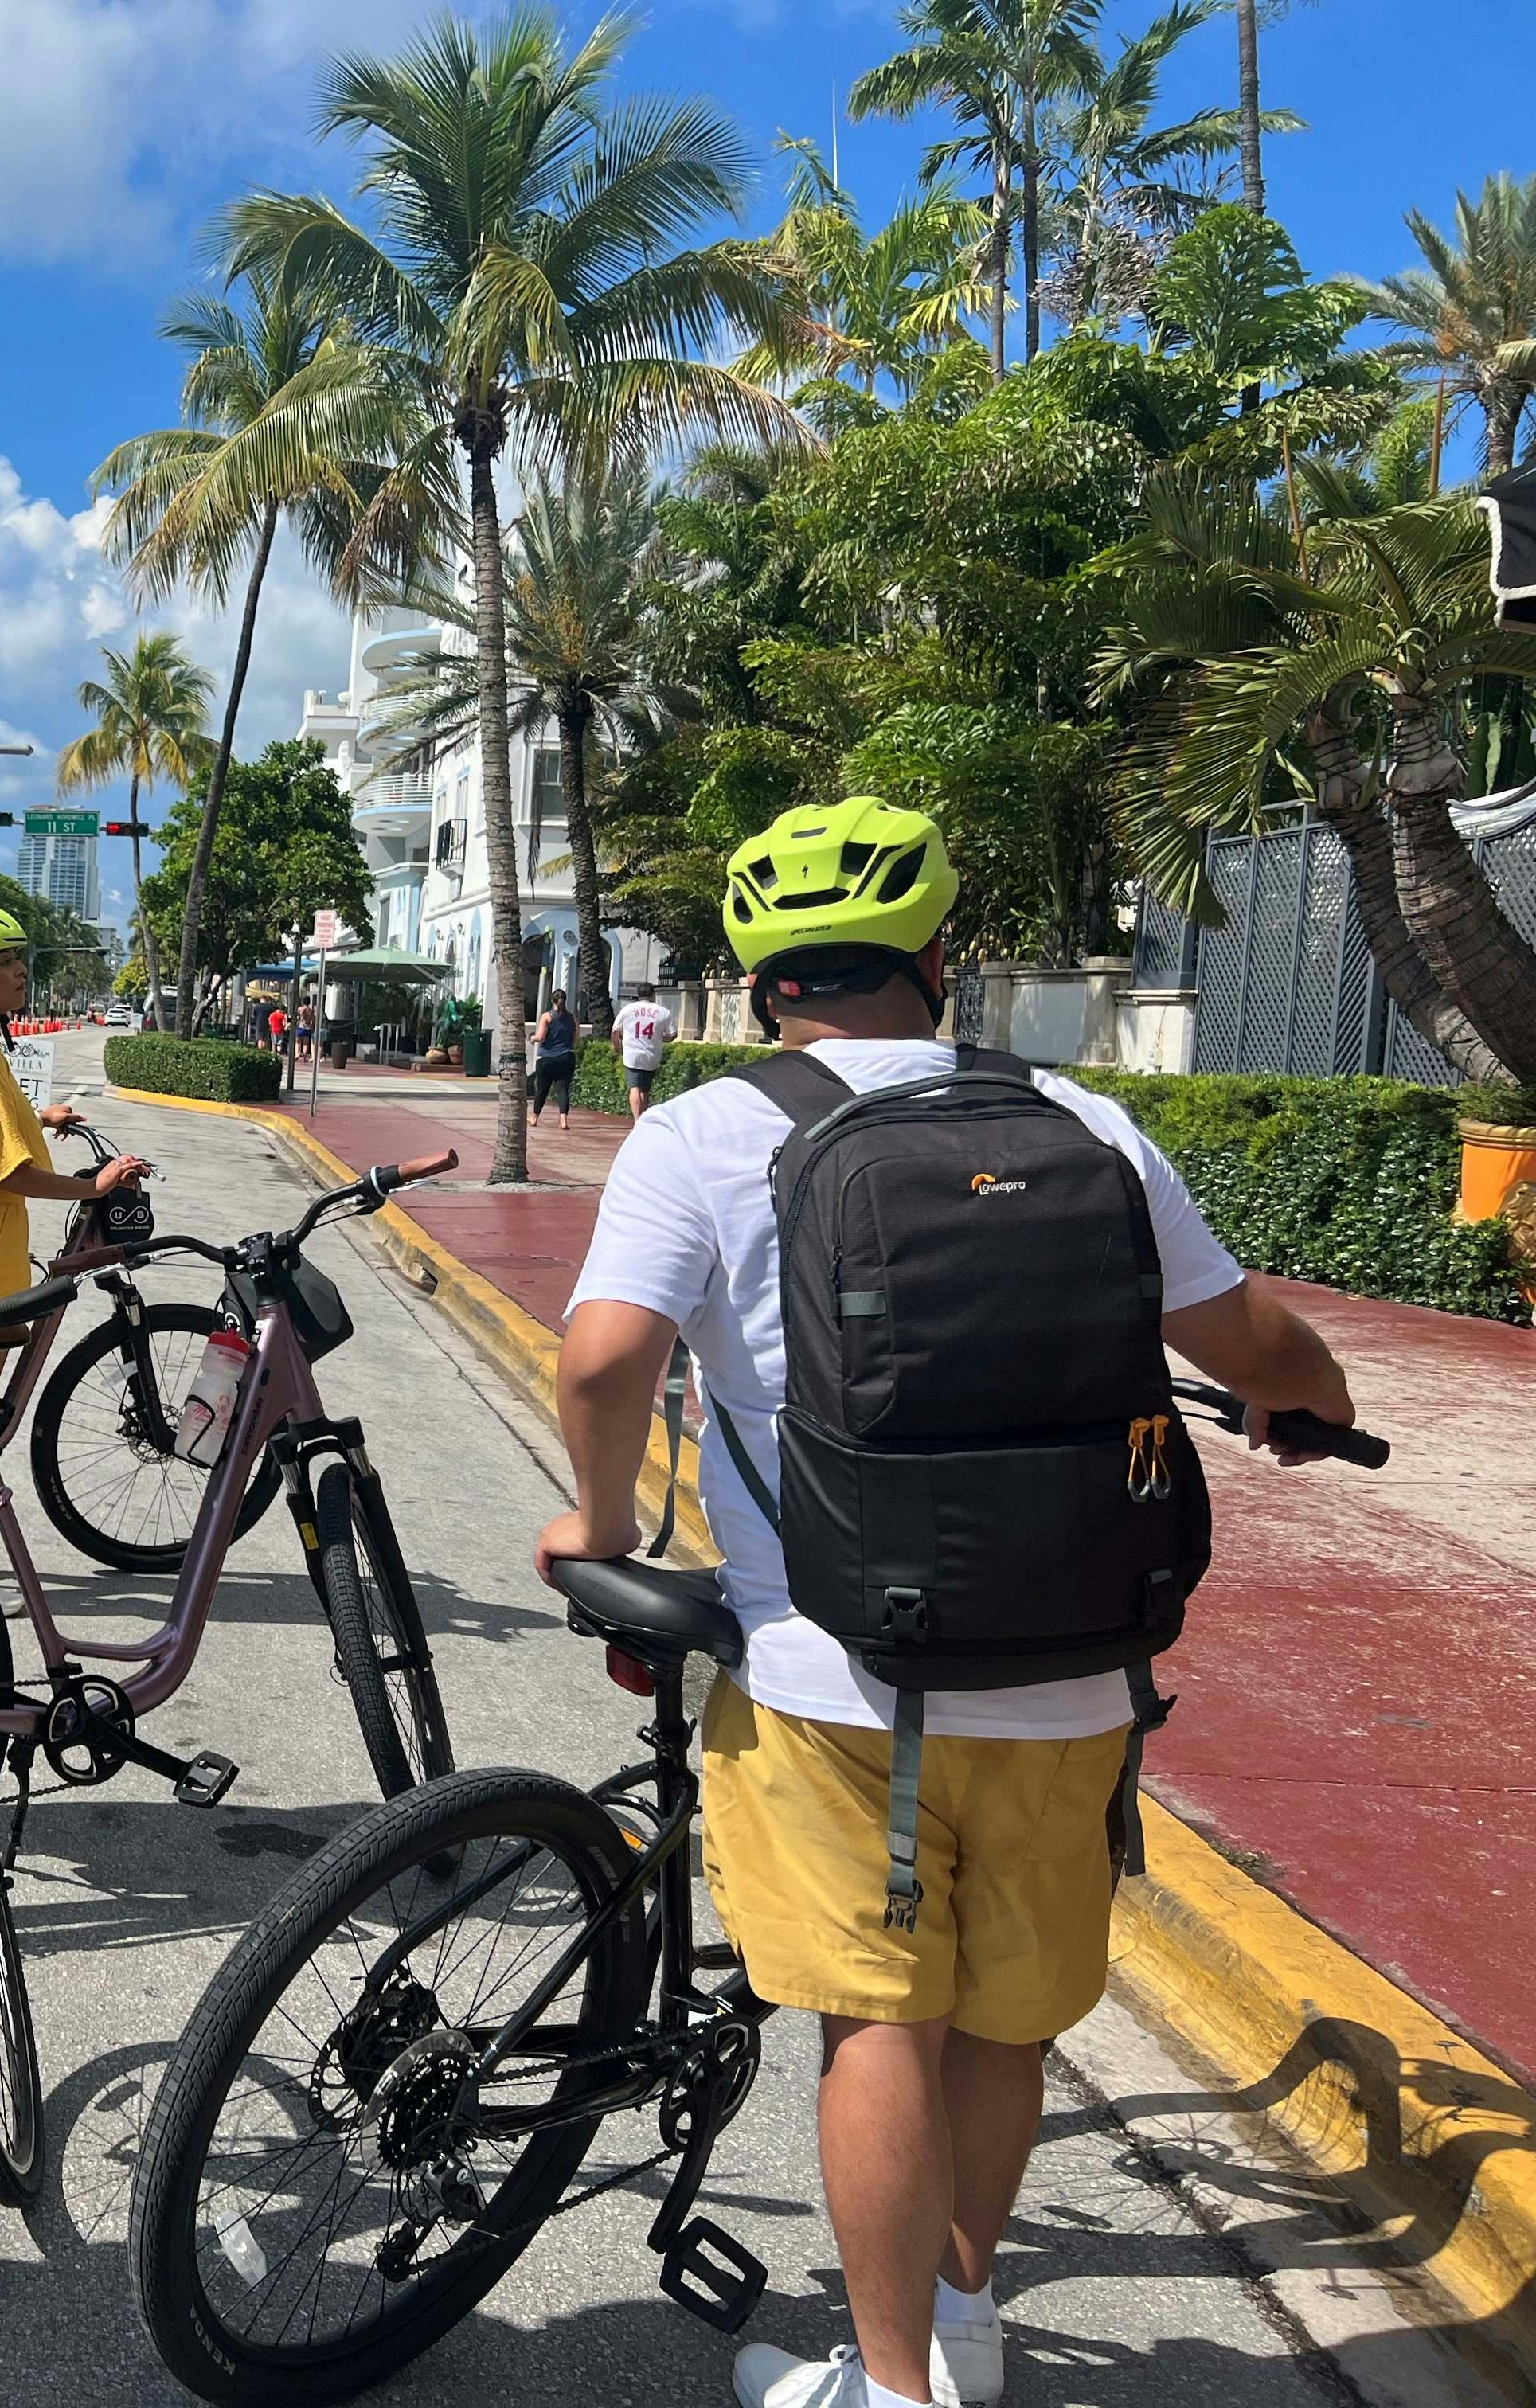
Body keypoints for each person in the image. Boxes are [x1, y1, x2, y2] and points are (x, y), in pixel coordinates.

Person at [534, 797, 1355, 2408]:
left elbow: (605, 1354)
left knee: (876, 2027)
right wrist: (1306, 1393)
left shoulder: (703, 1135)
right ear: (937, 956)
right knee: (1001, 2024)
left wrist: (602, 1513)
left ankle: (895, 2389)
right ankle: (966, 2335)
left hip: (830, 1673)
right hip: (1072, 1673)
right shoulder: (1087, 1124)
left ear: (764, 976)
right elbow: (1252, 1344)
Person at [0, 902, 149, 1508]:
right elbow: (9, 1173)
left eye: (19, 959)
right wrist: (95, 1186)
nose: (19, 972)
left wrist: (38, 1115)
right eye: (5, 962)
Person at [612, 979, 676, 1117]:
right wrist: (660, 1038)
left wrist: (616, 1046)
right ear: (653, 995)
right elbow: (672, 1034)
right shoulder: (663, 1012)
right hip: (652, 1055)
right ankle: (643, 1118)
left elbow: (615, 1030)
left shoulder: (628, 1009)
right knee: (645, 1090)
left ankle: (637, 1120)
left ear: (638, 995)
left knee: (634, 1087)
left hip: (631, 1054)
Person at [529, 991, 578, 1128]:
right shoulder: (573, 1018)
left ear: (552, 1001)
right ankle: (563, 1120)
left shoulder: (547, 1017)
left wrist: (532, 1038)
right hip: (567, 1057)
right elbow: (576, 1039)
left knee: (542, 1089)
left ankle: (535, 1117)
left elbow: (540, 1037)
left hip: (547, 1058)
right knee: (562, 1089)